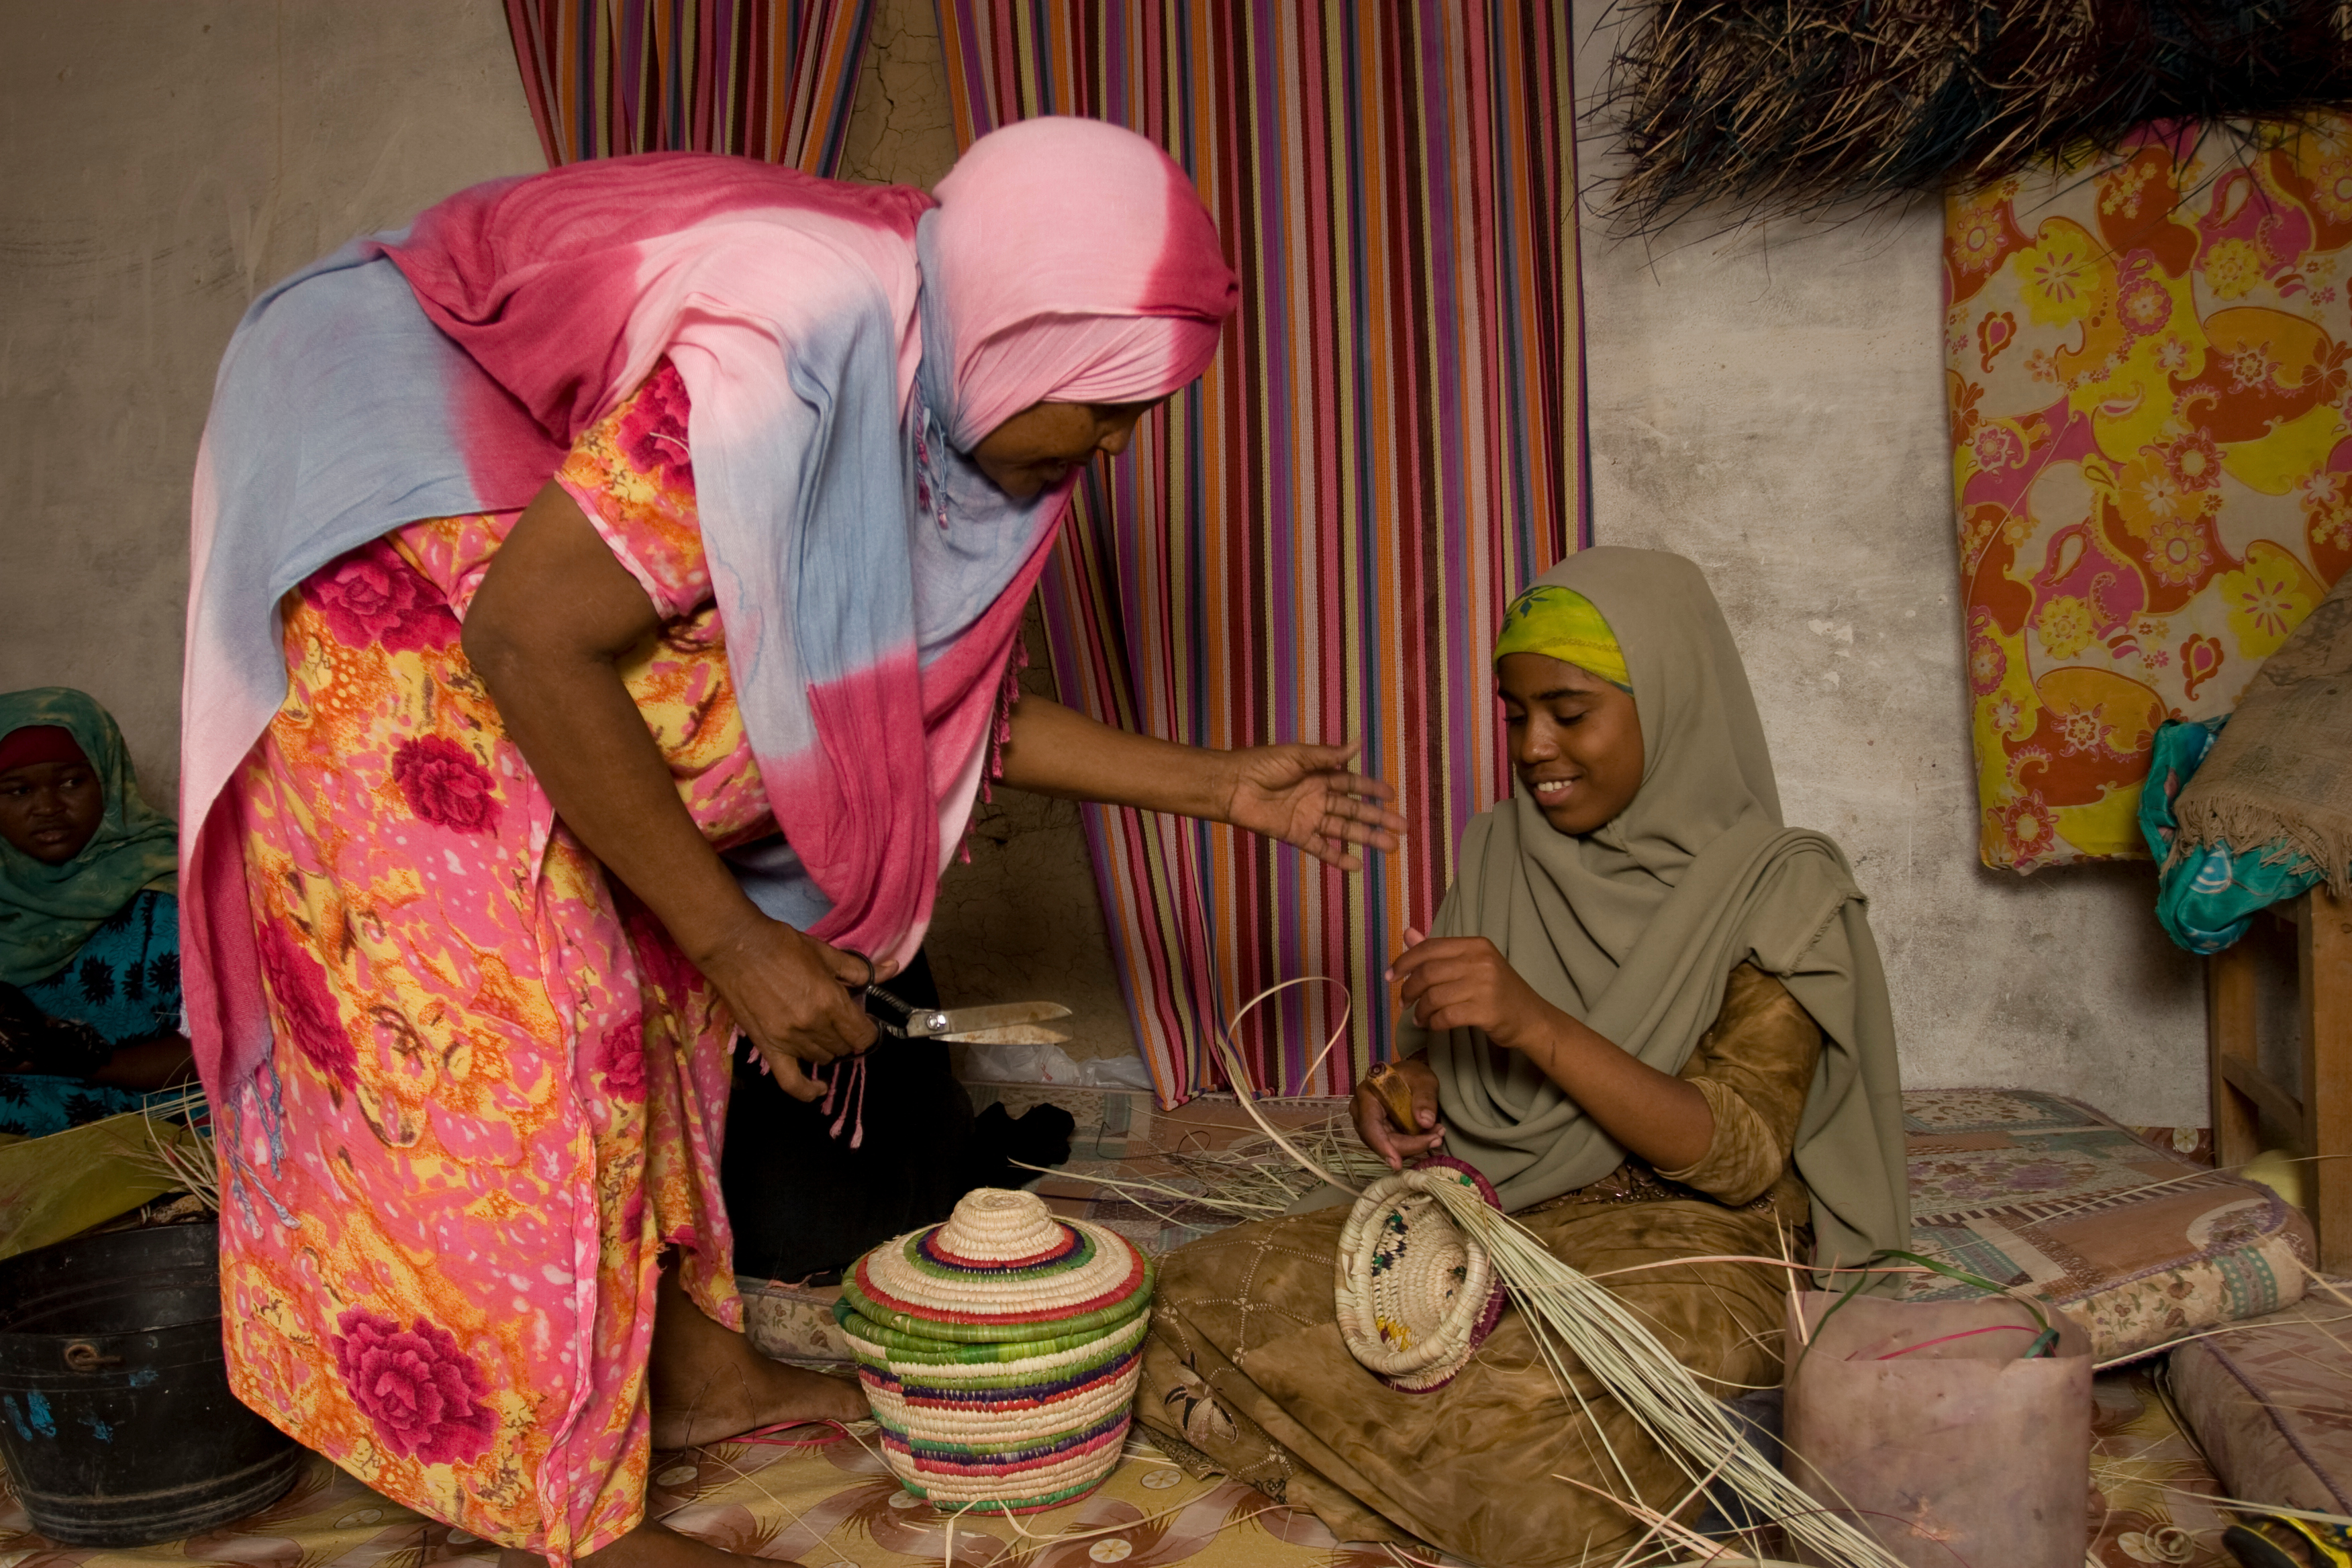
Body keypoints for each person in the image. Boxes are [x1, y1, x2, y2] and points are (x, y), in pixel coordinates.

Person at [180, 119, 1405, 1568]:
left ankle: (696, 1380)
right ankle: (551, 1496)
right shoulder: (788, 368)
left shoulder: (922, 365)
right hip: (392, 491)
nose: (1117, 445)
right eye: (1107, 407)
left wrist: (1221, 788)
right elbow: (528, 634)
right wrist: (735, 935)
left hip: (522, 546)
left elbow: (888, 693)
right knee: (507, 1007)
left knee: (661, 942)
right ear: (1018, 337)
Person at [1133, 548, 1909, 1567]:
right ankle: (1523, 1486)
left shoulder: (1781, 886)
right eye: (1515, 714)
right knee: (1183, 1298)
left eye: (1570, 711)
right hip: (1505, 1216)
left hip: (1700, 1244)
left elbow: (1743, 1155)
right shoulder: (1502, 848)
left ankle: (1461, 1469)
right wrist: (1401, 1090)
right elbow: (1439, 1064)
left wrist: (1536, 1022)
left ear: (1669, 700)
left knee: (1533, 1414)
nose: (1535, 745)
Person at [0, 688, 192, 1134]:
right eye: (17, 790)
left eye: (71, 782)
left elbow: (222, 1051)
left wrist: (80, 1060)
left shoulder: (171, 894)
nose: (47, 808)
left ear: (109, 779)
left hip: (150, 1123)